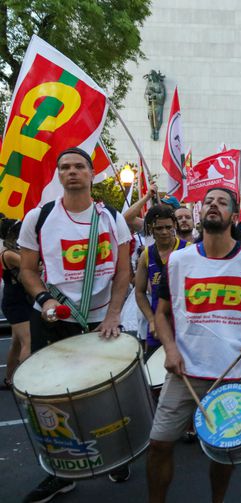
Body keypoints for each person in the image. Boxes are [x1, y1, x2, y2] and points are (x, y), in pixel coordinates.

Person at [147, 188, 241, 503]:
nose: (213, 206)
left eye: (221, 202)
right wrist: (170, 349)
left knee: (224, 452)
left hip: (233, 372)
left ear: (234, 215)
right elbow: (161, 313)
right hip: (184, 370)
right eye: (208, 202)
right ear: (199, 213)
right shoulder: (179, 260)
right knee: (159, 444)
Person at [18, 147, 133, 502]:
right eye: (65, 167)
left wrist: (114, 313)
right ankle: (58, 471)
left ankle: (115, 456)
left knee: (109, 394)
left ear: (91, 173)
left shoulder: (112, 217)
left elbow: (123, 271)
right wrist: (44, 300)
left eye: (79, 167)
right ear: (58, 174)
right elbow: (26, 269)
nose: (72, 172)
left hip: (102, 321)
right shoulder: (40, 217)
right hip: (55, 321)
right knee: (51, 399)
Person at [134, 205, 189, 356]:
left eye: (168, 227)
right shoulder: (146, 255)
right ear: (151, 229)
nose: (164, 232)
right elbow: (139, 292)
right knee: (152, 372)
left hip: (185, 325)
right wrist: (151, 320)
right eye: (159, 228)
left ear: (174, 226)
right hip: (158, 324)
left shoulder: (188, 250)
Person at [1, 219, 33, 387]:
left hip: (19, 299)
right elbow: (32, 266)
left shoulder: (14, 250)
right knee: (28, 341)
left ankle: (9, 379)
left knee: (15, 342)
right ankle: (26, 383)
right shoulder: (8, 254)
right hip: (16, 301)